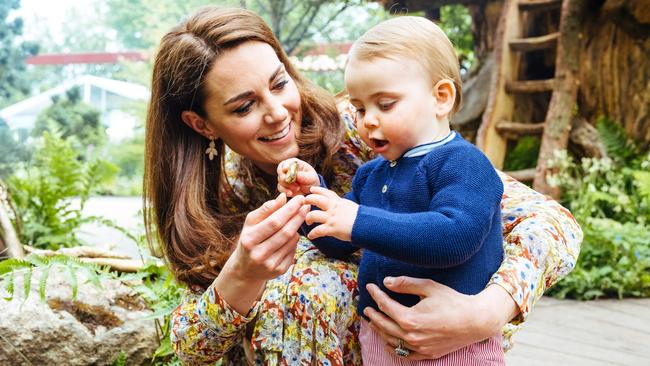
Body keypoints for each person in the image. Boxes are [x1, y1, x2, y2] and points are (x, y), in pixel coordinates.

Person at [143, 6, 582, 365]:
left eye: (280, 83)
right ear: (201, 124)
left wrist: (486, 313)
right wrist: (242, 274)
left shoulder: (371, 133)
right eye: (244, 106)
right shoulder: (218, 199)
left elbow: (551, 222)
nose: (277, 112)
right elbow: (191, 348)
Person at [277, 16, 505, 365]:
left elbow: (456, 236)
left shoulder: (463, 163)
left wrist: (357, 221)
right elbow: (338, 241)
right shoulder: (371, 175)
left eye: (385, 104)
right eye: (359, 108)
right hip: (382, 340)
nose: (368, 120)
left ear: (440, 98)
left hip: (453, 345)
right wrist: (310, 197)